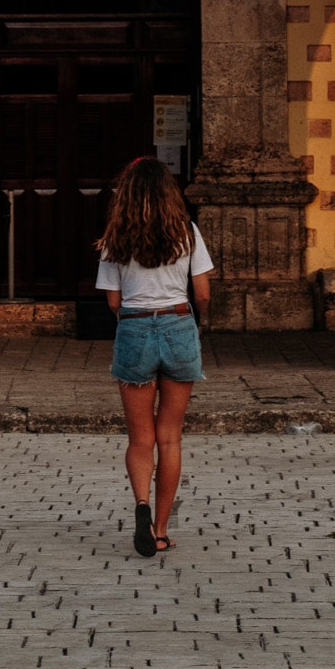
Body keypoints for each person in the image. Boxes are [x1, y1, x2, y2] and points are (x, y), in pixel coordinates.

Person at [95, 155, 213, 557]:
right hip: (179, 326)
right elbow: (202, 294)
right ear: (169, 192)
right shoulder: (188, 234)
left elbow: (113, 300)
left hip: (134, 328)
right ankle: (161, 531)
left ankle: (141, 505)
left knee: (140, 437)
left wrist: (135, 316)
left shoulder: (115, 238)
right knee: (170, 436)